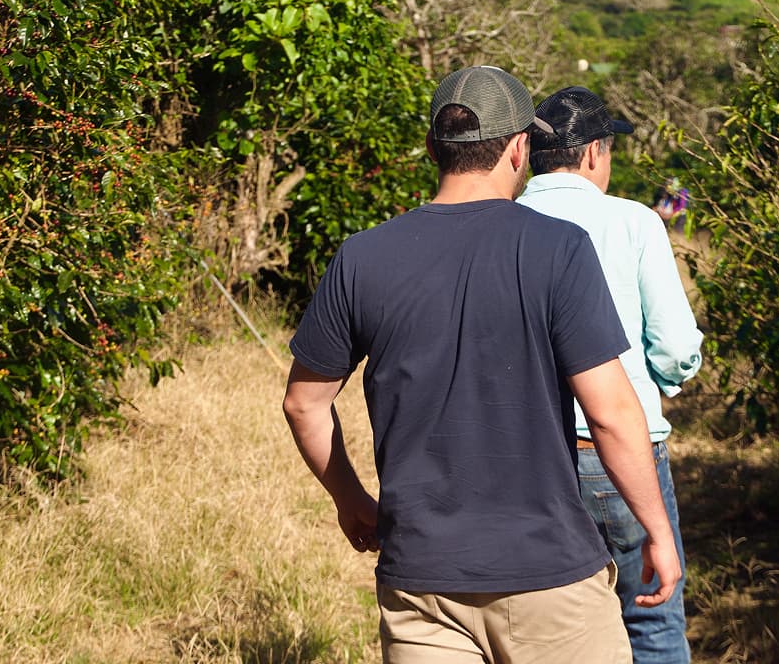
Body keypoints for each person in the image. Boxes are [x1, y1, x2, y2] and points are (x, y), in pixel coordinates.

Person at [281, 65, 682, 664]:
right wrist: (657, 530)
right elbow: (612, 414)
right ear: (520, 149)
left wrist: (351, 500)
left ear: (430, 148)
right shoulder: (558, 248)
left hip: (420, 583)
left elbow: (304, 403)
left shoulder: (363, 256)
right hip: (551, 579)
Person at [518, 86, 704, 664]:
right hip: (621, 452)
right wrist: (655, 383)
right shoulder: (634, 223)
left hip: (527, 456)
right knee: (651, 619)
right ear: (596, 153)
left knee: (551, 632)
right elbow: (674, 347)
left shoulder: (501, 223)